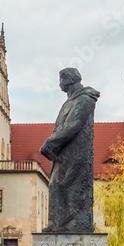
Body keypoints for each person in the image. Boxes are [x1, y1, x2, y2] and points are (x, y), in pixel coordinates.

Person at [40, 68, 100, 233]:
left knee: (72, 187)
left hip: (77, 153)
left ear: (69, 80)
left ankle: (76, 224)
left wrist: (50, 143)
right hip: (62, 152)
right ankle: (57, 223)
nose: (59, 84)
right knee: (55, 185)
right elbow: (59, 127)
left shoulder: (85, 99)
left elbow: (73, 125)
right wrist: (52, 144)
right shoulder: (69, 102)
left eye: (61, 79)